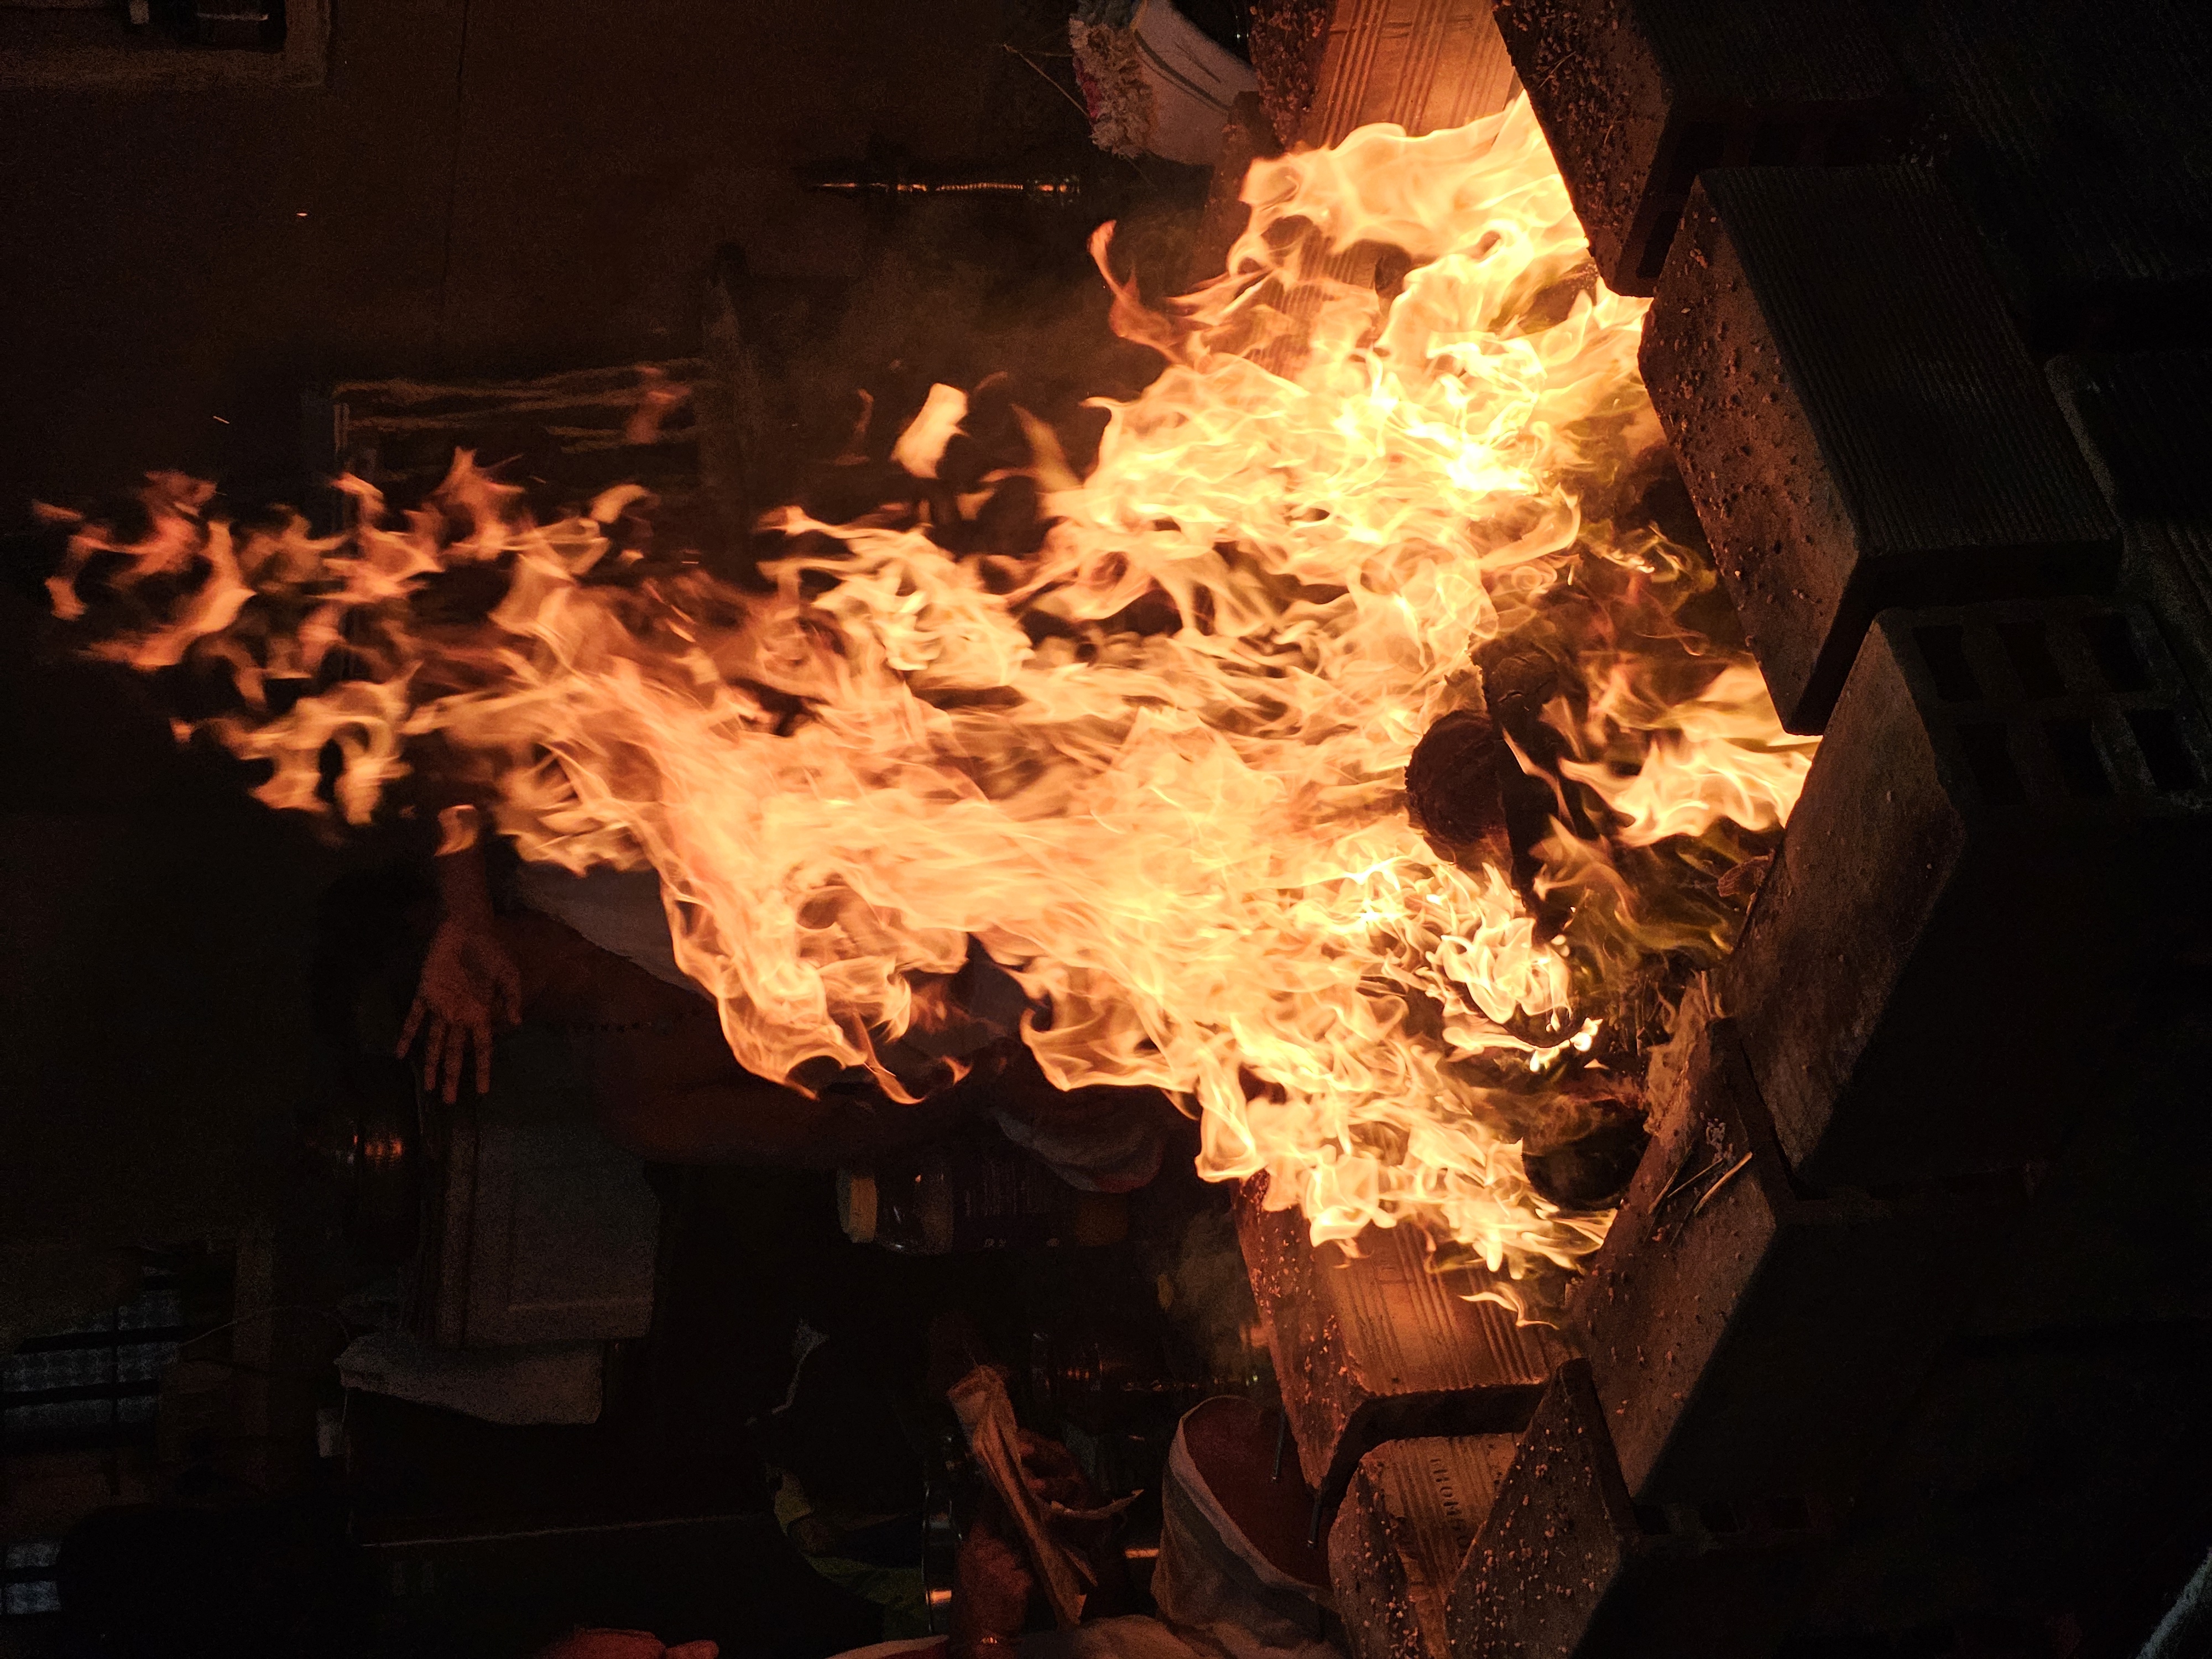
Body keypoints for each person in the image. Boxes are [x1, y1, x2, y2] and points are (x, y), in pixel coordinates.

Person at [396, 808, 1169, 1184]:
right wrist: (991, 1081)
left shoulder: (567, 849)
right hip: (991, 1035)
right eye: (435, 1035)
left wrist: (466, 908)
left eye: (431, 984)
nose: (457, 1008)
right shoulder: (640, 1101)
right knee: (1120, 1143)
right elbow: (834, 1130)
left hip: (981, 858)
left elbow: (444, 713)